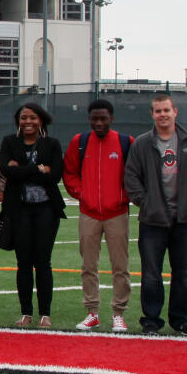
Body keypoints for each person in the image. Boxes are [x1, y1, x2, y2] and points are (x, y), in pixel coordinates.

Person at [123, 94, 187, 337]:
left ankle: (182, 321)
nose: (163, 115)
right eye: (158, 111)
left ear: (175, 112)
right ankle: (151, 320)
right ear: (152, 114)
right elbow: (132, 178)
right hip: (152, 221)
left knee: (183, 273)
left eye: (166, 110)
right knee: (151, 274)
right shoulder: (142, 143)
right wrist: (147, 204)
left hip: (182, 221)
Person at [63, 99, 134, 333]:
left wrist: (125, 196)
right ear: (89, 119)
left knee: (120, 266)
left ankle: (118, 314)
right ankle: (92, 312)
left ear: (111, 118)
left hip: (118, 213)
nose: (99, 122)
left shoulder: (125, 142)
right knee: (88, 265)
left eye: (103, 118)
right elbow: (70, 172)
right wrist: (83, 194)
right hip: (89, 213)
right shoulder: (80, 142)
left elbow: (135, 173)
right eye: (95, 118)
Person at [0, 103, 66, 328]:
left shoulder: (52, 144)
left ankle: (45, 314)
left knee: (43, 262)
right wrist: (38, 168)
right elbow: (6, 170)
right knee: (23, 263)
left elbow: (55, 175)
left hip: (47, 209)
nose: (28, 122)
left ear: (41, 120)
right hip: (19, 210)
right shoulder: (10, 142)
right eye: (23, 118)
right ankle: (26, 313)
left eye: (32, 118)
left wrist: (22, 170)